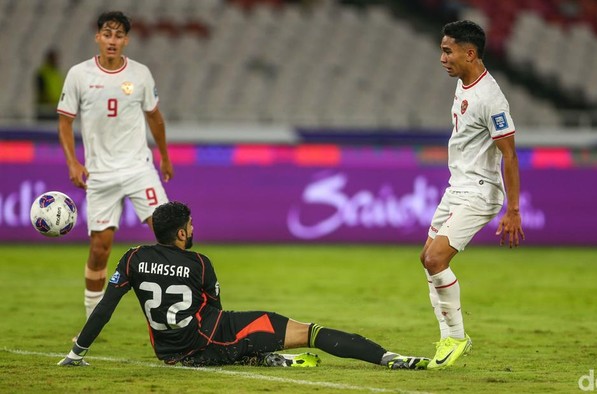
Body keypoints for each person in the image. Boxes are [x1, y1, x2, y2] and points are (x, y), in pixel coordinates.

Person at [58, 201, 430, 370]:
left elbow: (105, 308)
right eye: (191, 224)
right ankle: (389, 358)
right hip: (202, 345)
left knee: (244, 336)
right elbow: (217, 315)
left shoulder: (133, 258)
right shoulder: (200, 262)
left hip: (167, 352)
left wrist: (77, 352)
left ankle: (262, 356)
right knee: (309, 331)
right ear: (183, 232)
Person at [419, 20, 524, 370]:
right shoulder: (465, 84)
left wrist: (514, 210)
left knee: (436, 260)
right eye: (441, 50)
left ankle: (455, 338)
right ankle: (450, 336)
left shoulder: (491, 99)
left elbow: (509, 154)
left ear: (470, 53)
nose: (442, 58)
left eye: (447, 51)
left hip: (479, 191)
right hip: (458, 187)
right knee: (426, 259)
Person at [57, 11, 173, 321]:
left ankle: (180, 316)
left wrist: (164, 155)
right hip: (100, 174)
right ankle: (91, 323)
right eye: (107, 34)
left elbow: (155, 118)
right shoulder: (79, 75)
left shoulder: (140, 74)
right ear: (98, 37)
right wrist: (72, 162)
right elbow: (65, 122)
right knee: (100, 249)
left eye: (118, 35)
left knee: (169, 234)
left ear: (126, 40)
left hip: (138, 168)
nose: (112, 40)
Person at [36, 49, 64, 120]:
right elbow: (42, 92)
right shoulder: (42, 73)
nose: (55, 61)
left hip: (56, 109)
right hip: (46, 110)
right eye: (53, 59)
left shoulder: (57, 74)